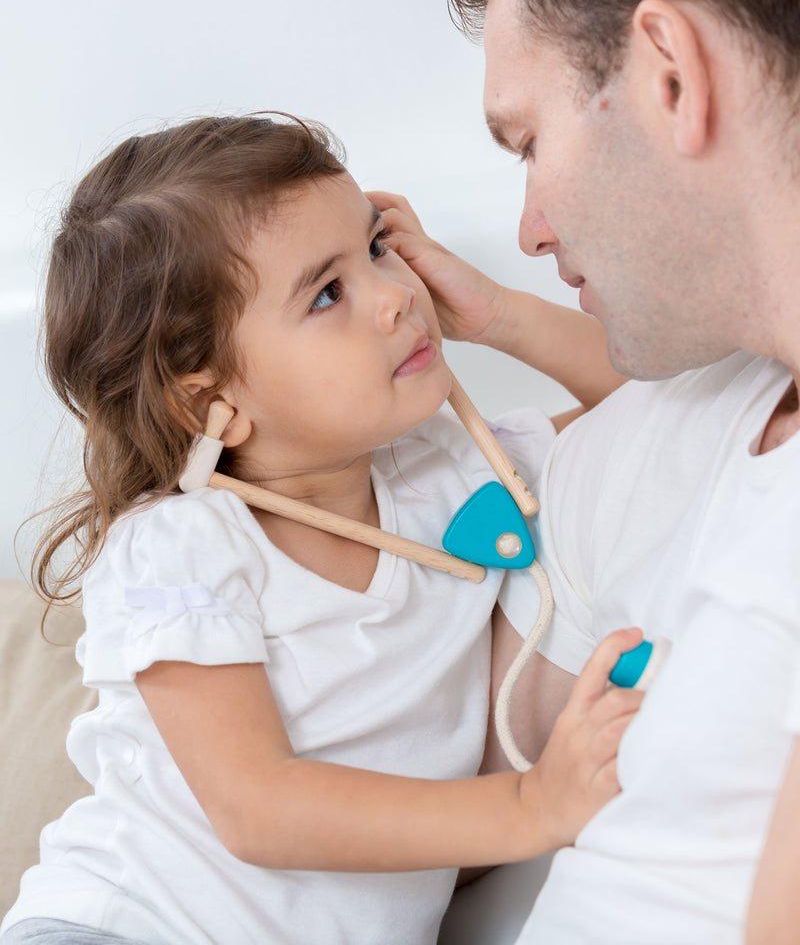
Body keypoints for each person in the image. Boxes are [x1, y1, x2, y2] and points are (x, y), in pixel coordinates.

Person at [0, 114, 639, 945]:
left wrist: (497, 315)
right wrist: (528, 806)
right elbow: (257, 807)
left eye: (378, 247)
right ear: (206, 404)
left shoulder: (448, 472)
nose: (395, 295)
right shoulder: (183, 545)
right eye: (327, 293)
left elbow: (651, 409)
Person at [415, 0, 800, 941]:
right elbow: (411, 814)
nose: (531, 228)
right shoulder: (686, 426)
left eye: (531, 141)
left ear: (671, 76)